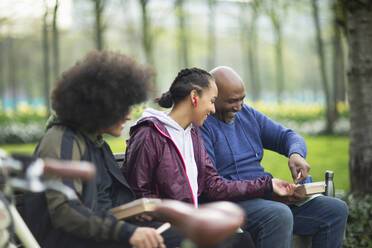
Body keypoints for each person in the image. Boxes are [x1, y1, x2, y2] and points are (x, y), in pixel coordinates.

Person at [23, 51, 181, 248]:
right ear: (100, 106)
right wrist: (127, 232)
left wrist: (133, 213)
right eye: (123, 108)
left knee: (175, 234)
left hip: (99, 233)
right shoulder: (61, 139)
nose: (128, 117)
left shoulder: (97, 143)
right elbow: (65, 212)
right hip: (72, 240)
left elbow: (104, 203)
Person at [123, 67, 296, 247]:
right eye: (212, 101)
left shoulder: (193, 134)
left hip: (191, 220)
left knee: (242, 240)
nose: (213, 109)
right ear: (194, 97)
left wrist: (268, 184)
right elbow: (139, 194)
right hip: (165, 226)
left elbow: (214, 186)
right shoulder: (149, 134)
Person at [199, 66, 349, 248]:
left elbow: (287, 136)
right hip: (232, 204)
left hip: (265, 196)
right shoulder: (203, 125)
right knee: (279, 214)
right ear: (214, 98)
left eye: (242, 99)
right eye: (232, 101)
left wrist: (296, 154)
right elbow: (214, 188)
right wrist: (268, 189)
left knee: (335, 210)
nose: (239, 107)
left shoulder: (248, 115)